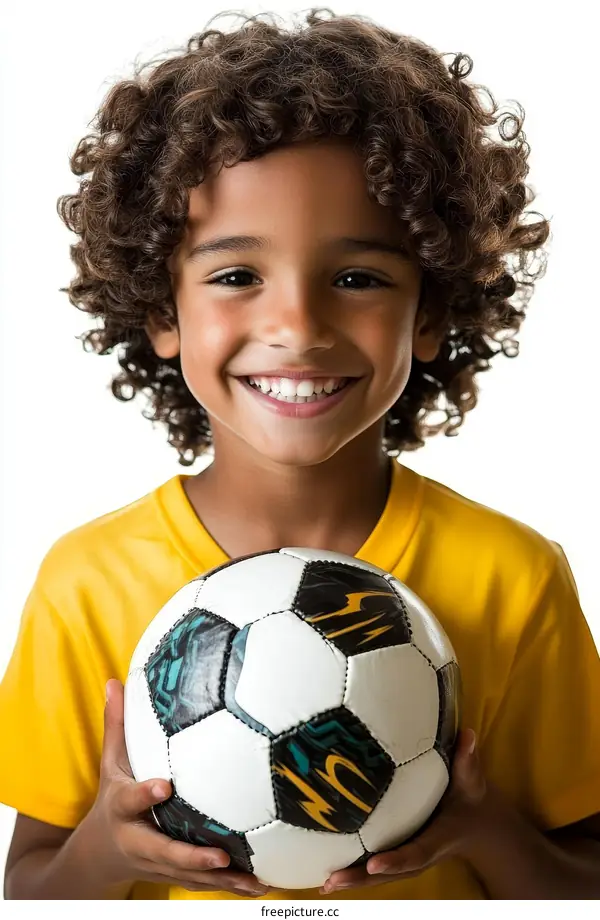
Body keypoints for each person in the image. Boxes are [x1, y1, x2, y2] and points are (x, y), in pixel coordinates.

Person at [1, 7, 600, 902]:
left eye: (357, 278)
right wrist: (111, 849)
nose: (297, 327)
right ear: (162, 312)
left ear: (430, 313)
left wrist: (483, 831)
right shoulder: (87, 582)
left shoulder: (511, 578)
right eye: (237, 276)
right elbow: (31, 886)